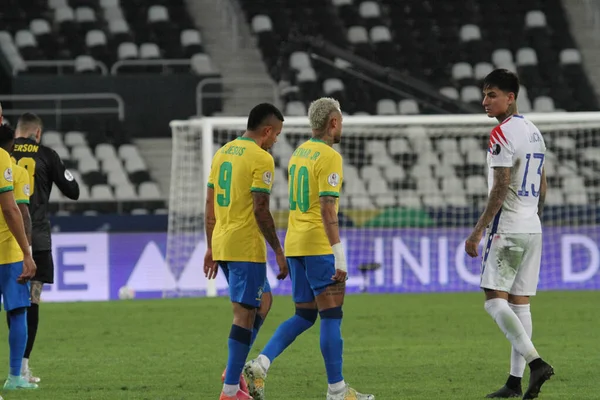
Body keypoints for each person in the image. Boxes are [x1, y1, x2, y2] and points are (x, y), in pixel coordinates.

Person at [244, 98, 375, 400]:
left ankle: (261, 363)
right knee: (331, 316)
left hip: (295, 244)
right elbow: (328, 210)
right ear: (332, 122)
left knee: (304, 315)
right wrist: (339, 254)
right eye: (340, 121)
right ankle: (338, 391)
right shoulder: (329, 156)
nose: (341, 126)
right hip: (318, 245)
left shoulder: (297, 153)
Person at [464, 69, 554, 399]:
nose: (485, 101)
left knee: (492, 300)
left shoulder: (501, 134)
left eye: (492, 95)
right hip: (533, 227)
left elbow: (501, 186)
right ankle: (515, 383)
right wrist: (534, 218)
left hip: (509, 229)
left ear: (510, 97)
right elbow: (543, 184)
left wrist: (477, 232)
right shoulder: (534, 131)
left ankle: (536, 363)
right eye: (485, 95)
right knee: (520, 305)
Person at [202, 103, 289, 400]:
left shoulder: (222, 152)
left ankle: (233, 368)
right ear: (266, 131)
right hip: (244, 246)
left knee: (263, 301)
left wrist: (211, 246)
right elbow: (260, 208)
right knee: (244, 315)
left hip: (224, 242)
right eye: (276, 134)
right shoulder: (261, 158)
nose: (276, 139)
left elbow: (209, 205)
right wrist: (278, 249)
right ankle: (229, 393)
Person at [12, 112, 80, 382]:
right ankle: (21, 369)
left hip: (6, 238)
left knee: (13, 304)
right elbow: (73, 190)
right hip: (36, 239)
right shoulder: (47, 155)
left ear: (17, 131)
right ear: (37, 133)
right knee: (32, 302)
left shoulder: (4, 152)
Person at [0, 121, 37, 390]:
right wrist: (28, 251)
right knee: (18, 312)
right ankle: (14, 378)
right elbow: (18, 212)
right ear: (12, 143)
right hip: (11, 252)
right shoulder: (15, 169)